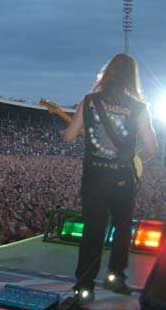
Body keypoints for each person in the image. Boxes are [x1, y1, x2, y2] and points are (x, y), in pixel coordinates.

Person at [61, 53, 158, 307]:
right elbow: (151, 147)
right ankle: (116, 276)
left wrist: (67, 131)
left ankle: (84, 289)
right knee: (123, 230)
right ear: (132, 78)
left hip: (94, 180)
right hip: (123, 181)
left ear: (108, 73)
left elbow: (70, 136)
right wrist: (134, 160)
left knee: (93, 233)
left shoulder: (90, 101)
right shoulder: (139, 108)